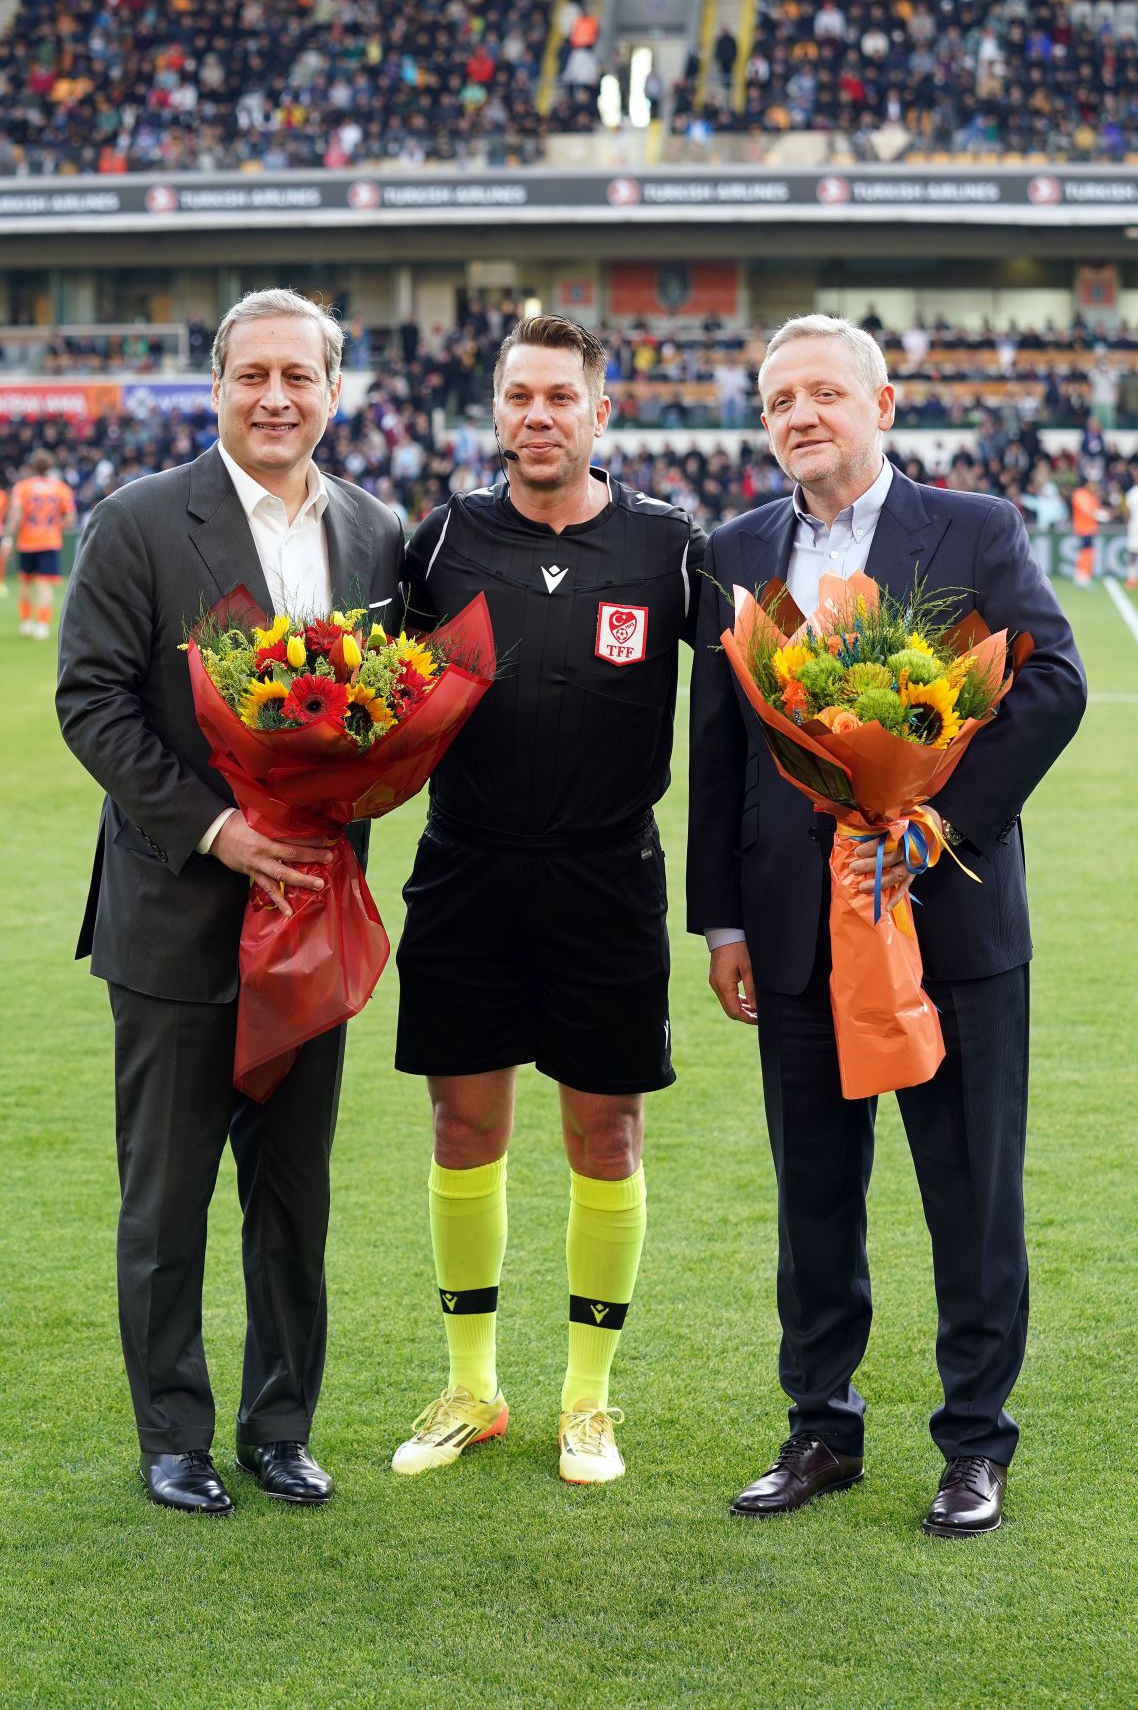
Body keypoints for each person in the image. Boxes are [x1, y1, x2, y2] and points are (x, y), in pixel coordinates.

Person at [687, 315, 1086, 1536]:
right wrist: (719, 925)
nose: (799, 417)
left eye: (822, 394)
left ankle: (975, 1445)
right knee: (814, 1196)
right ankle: (821, 1429)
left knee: (970, 1193)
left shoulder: (974, 528)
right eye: (777, 402)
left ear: (883, 404)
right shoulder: (735, 549)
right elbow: (718, 750)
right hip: (795, 929)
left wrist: (942, 821)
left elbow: (1053, 681)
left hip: (948, 926)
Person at [56, 289, 404, 1516]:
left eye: (298, 378)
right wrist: (219, 832)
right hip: (176, 921)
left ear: (331, 391)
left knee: (292, 1195)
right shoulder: (140, 522)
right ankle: (174, 1438)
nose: (275, 398)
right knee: (166, 1200)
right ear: (216, 388)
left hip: (313, 920)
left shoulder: (377, 535)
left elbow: (390, 711)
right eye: (251, 376)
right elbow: (91, 702)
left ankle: (279, 1428)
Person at [389, 315, 705, 1487]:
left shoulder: (671, 547)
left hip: (607, 877)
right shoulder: (441, 542)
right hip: (465, 870)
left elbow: (729, 716)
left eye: (560, 398)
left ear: (599, 413)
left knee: (604, 1135)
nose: (537, 416)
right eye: (518, 397)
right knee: (464, 1127)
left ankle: (589, 1402)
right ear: (497, 413)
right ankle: (473, 1388)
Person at [1, 449, 76, 638]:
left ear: (32, 467)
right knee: (45, 586)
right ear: (50, 467)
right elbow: (70, 519)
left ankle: (26, 623)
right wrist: (53, 527)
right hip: (49, 542)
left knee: (25, 584)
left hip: (27, 542)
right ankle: (42, 626)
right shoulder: (61, 488)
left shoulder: (23, 487)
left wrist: (8, 539)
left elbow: (16, 517)